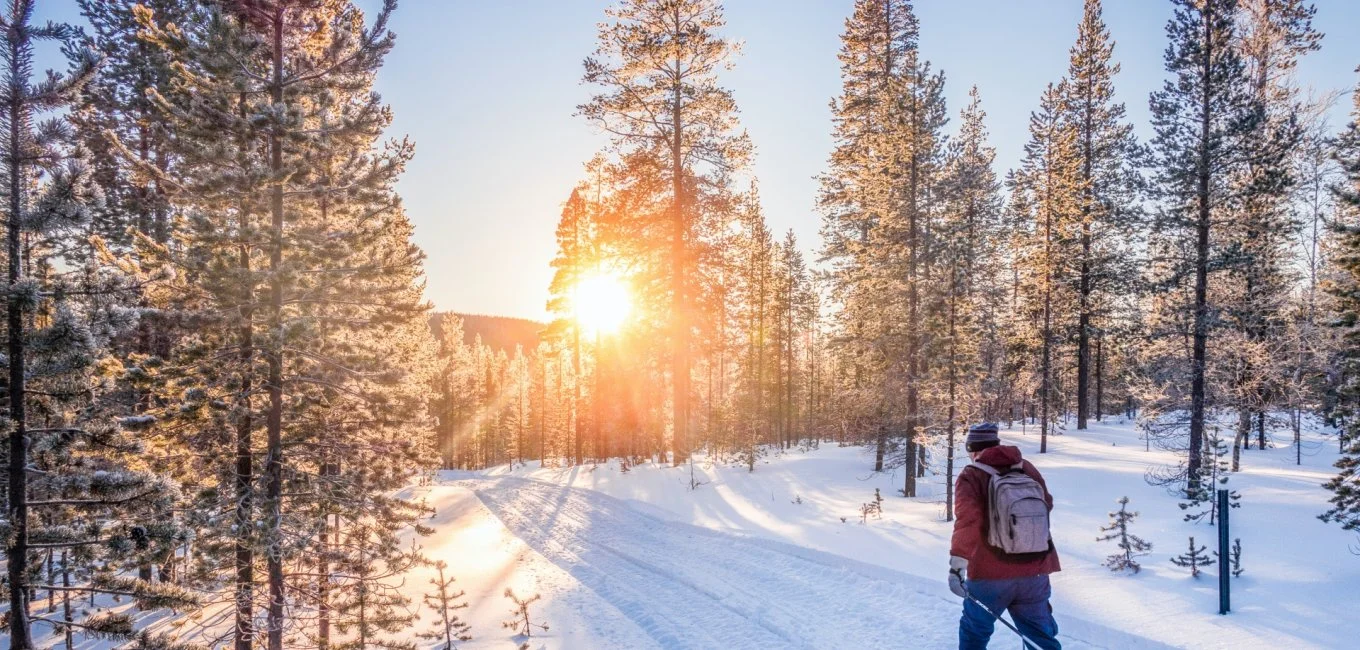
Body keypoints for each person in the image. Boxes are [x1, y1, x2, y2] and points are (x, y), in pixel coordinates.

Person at [948, 422, 1061, 649]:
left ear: (973, 448)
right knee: (1040, 638)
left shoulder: (972, 474)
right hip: (1035, 571)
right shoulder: (1026, 468)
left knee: (974, 633)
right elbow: (1046, 504)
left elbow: (968, 521)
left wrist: (957, 566)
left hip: (989, 574)